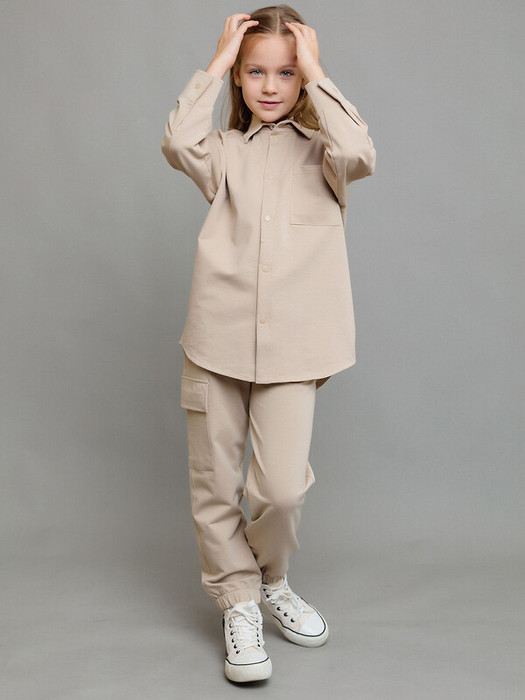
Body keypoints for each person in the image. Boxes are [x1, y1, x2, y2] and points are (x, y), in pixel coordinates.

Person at [161, 4, 375, 684]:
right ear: (239, 78)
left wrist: (318, 71)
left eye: (285, 73)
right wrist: (218, 60)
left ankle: (269, 578)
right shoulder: (223, 152)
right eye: (256, 72)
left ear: (302, 76)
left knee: (280, 490)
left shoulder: (326, 154)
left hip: (296, 348)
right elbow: (177, 140)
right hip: (215, 339)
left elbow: (360, 152)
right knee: (214, 484)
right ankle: (239, 602)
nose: (271, 86)